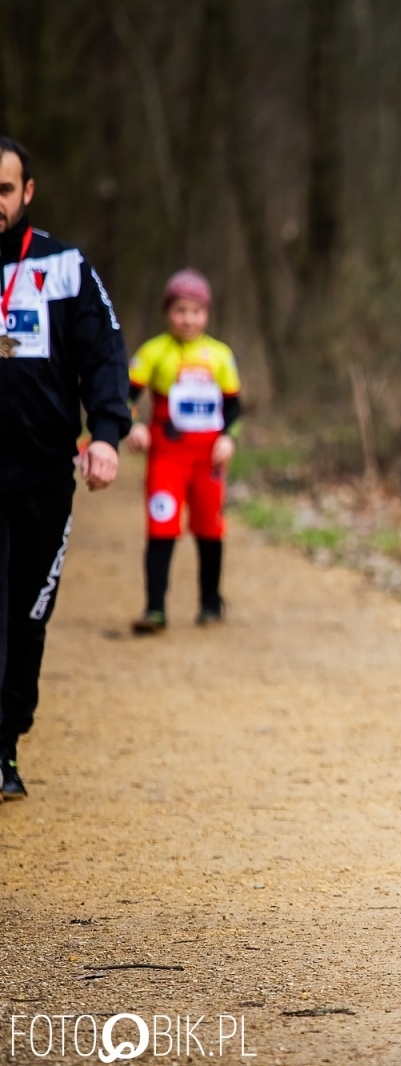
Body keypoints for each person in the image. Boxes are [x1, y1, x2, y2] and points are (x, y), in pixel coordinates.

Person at [0, 136, 130, 800]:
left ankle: (5, 745)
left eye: (2, 190)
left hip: (45, 470)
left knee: (26, 614)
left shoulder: (64, 267)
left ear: (27, 193)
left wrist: (105, 434)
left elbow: (105, 354)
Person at [125, 269, 241, 633]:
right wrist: (133, 425)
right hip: (166, 456)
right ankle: (155, 608)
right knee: (162, 526)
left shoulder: (220, 355)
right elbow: (125, 396)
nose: (188, 319)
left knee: (209, 527)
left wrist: (228, 437)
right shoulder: (153, 352)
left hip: (208, 456)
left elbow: (234, 406)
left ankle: (210, 602)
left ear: (207, 314)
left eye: (196, 311)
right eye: (180, 310)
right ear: (167, 312)